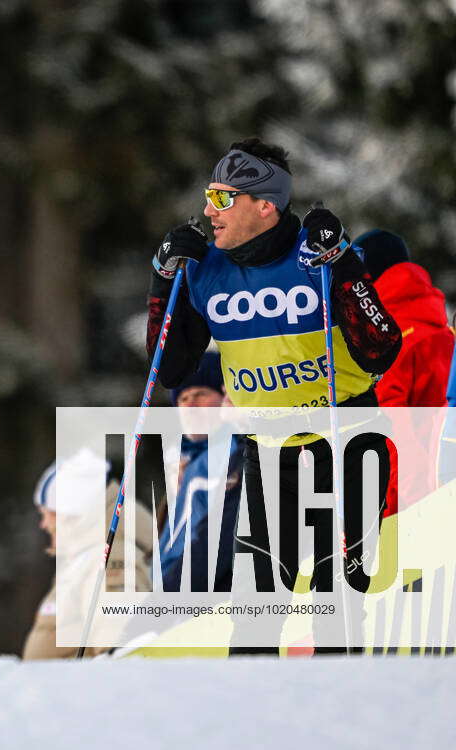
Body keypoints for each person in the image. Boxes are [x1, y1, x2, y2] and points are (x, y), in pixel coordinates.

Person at [146, 137, 402, 653]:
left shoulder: (318, 254)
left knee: (338, 607)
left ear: (265, 206)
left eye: (222, 198)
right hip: (268, 455)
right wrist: (162, 279)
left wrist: (342, 264)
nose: (207, 210)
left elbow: (382, 350)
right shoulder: (206, 270)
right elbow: (168, 369)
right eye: (208, 195)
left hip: (346, 442)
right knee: (256, 614)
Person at [354, 230, 454, 515]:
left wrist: (395, 514)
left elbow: (395, 438)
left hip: (411, 505)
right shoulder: (441, 331)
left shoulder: (388, 343)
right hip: (443, 486)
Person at [21, 450, 154, 660]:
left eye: (49, 514)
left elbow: (117, 651)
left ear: (71, 513)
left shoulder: (111, 557)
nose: (43, 524)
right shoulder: (86, 559)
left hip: (80, 691)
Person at [159, 352, 243, 594]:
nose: (190, 405)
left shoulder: (233, 452)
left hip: (197, 591)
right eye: (183, 399)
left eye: (200, 394)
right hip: (171, 584)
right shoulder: (185, 463)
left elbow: (217, 537)